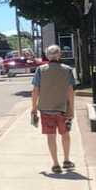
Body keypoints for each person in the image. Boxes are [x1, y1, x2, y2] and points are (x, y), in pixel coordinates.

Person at [31, 45, 76, 174]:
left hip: (45, 109)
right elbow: (70, 91)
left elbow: (35, 90)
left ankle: (55, 164)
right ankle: (66, 160)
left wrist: (33, 108)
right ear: (59, 55)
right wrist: (71, 109)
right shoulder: (67, 70)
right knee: (65, 134)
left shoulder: (40, 70)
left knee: (51, 136)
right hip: (63, 109)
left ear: (47, 56)